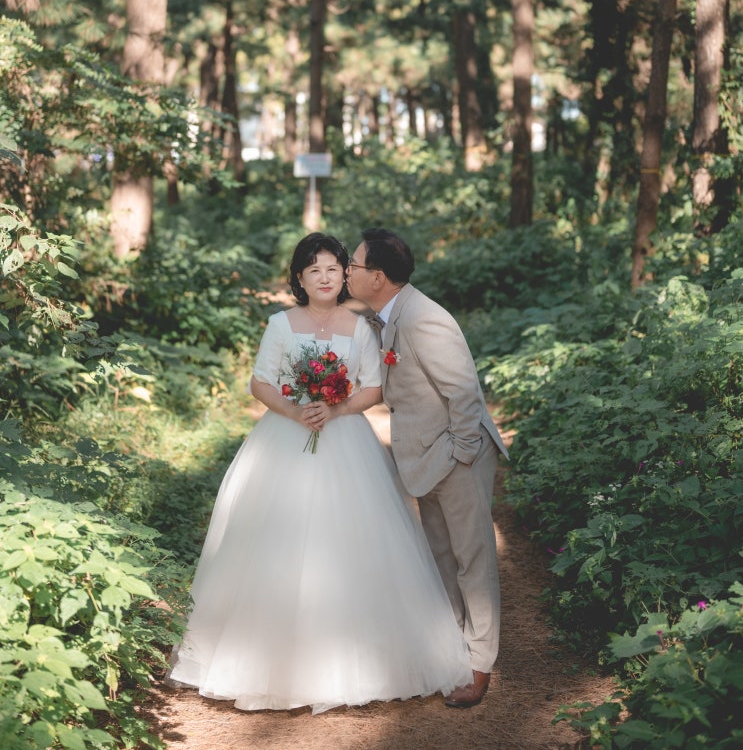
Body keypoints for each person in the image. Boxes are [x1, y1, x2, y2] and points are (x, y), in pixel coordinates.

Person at [168, 232, 471, 714]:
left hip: (346, 438)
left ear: (345, 274)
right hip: (284, 439)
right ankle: (267, 662)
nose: (325, 278)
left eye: (333, 268)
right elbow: (260, 382)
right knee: (275, 543)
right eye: (314, 270)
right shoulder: (280, 324)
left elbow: (373, 387)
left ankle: (366, 658)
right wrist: (296, 411)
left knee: (354, 541)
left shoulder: (362, 326)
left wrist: (335, 408)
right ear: (300, 278)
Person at [347, 227, 509, 709]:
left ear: (378, 277)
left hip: (456, 456)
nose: (348, 272)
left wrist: (461, 454)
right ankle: (454, 650)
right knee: (442, 556)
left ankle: (479, 665)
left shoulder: (424, 318)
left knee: (472, 559)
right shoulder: (387, 317)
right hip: (427, 458)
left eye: (353, 265)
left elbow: (464, 392)